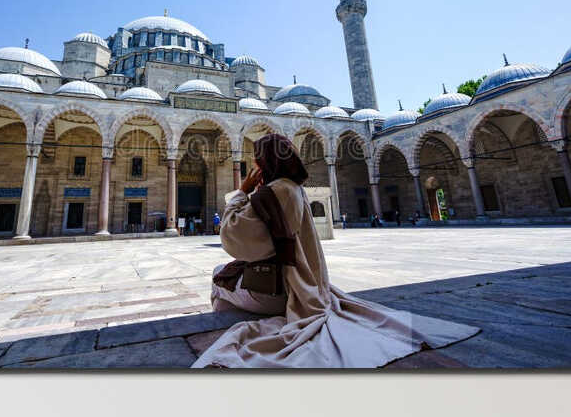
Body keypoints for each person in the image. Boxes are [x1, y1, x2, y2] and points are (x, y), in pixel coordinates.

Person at [194, 132, 475, 370]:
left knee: (220, 277)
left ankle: (232, 328)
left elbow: (232, 238)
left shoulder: (271, 193)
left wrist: (241, 193)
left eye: (257, 158)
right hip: (310, 289)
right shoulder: (294, 189)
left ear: (264, 162)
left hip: (282, 292)